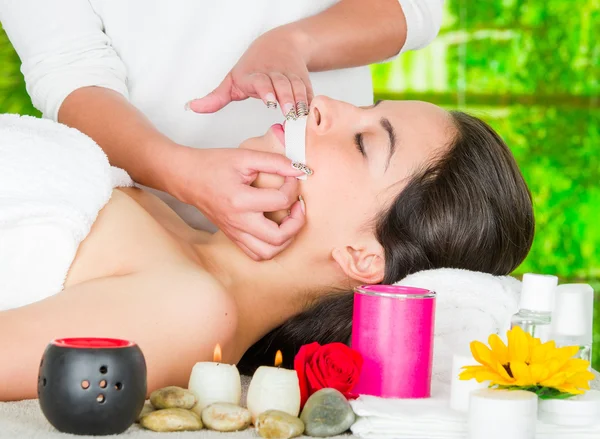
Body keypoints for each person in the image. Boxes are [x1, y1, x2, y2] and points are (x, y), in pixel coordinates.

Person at [0, 96, 534, 401]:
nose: (323, 105)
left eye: (363, 141)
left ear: (363, 257)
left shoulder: (194, 313)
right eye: (365, 107)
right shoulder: (171, 213)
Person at [0, 0, 444, 261]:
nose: (322, 107)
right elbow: (68, 69)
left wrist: (294, 42)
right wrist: (179, 171)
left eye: (367, 141)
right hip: (146, 232)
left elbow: (415, 7)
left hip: (317, 257)